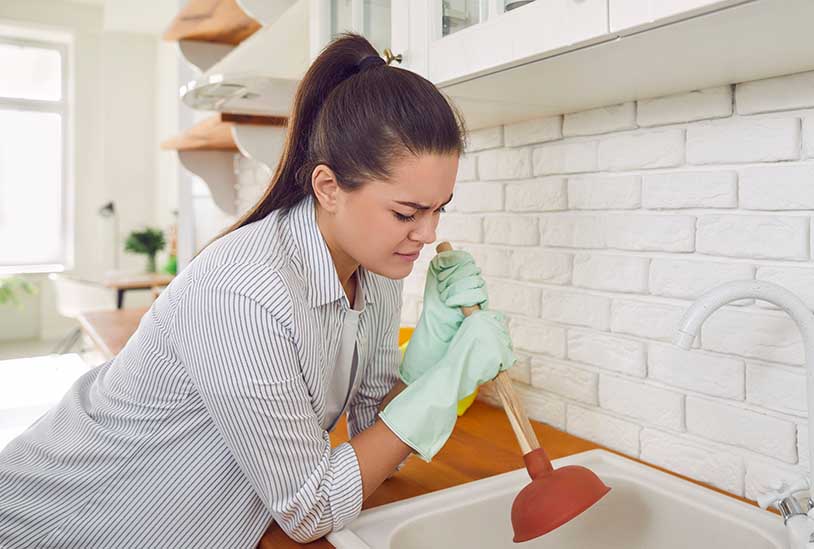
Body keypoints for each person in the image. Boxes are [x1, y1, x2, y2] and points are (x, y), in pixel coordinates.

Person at [0, 33, 514, 549]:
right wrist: (449, 380)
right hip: (60, 525)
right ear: (328, 188)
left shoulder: (371, 272)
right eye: (406, 213)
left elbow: (378, 440)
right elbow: (309, 508)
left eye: (439, 208)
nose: (427, 234)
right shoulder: (244, 294)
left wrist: (432, 353)